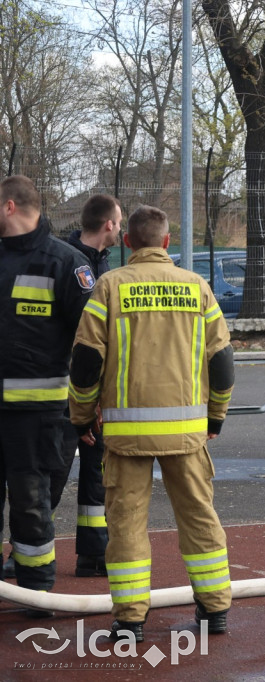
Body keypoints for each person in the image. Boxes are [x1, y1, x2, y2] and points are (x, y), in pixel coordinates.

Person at [69, 205, 234, 643]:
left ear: (128, 242)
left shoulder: (110, 286)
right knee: (199, 516)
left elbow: (86, 364)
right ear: (166, 242)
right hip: (187, 434)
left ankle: (130, 621)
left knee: (125, 526)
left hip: (124, 437)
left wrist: (82, 417)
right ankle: (214, 610)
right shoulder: (197, 287)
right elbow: (222, 362)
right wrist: (215, 415)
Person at [0, 175, 95, 616]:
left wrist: (89, 408)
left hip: (38, 416)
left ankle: (36, 594)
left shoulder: (65, 264)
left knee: (31, 503)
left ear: (9, 207)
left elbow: (91, 345)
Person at [60, 194, 122, 578]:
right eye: (120, 220)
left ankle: (92, 553)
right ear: (109, 225)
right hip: (67, 386)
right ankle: (25, 551)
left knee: (97, 469)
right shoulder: (72, 264)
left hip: (95, 388)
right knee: (51, 469)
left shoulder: (101, 263)